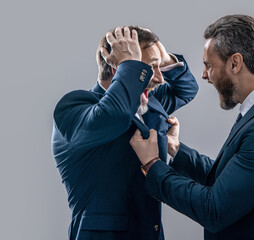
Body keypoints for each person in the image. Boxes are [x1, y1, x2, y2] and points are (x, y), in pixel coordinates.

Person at [130, 15, 254, 239]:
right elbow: (227, 181)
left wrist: (152, 165)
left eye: (208, 65)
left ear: (235, 63)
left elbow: (214, 209)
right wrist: (176, 148)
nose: (204, 75)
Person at [51, 26, 198, 240]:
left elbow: (186, 89)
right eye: (149, 68)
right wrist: (129, 63)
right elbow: (115, 116)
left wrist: (164, 58)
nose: (159, 78)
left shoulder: (148, 102)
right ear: (117, 68)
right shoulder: (74, 107)